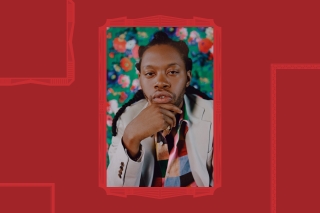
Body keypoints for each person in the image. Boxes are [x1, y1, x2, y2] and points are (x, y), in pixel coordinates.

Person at [107, 31, 213, 187]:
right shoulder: (126, 119)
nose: (160, 82)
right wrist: (131, 137)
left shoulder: (214, 115)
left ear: (187, 79)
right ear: (140, 81)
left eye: (172, 72)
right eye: (150, 73)